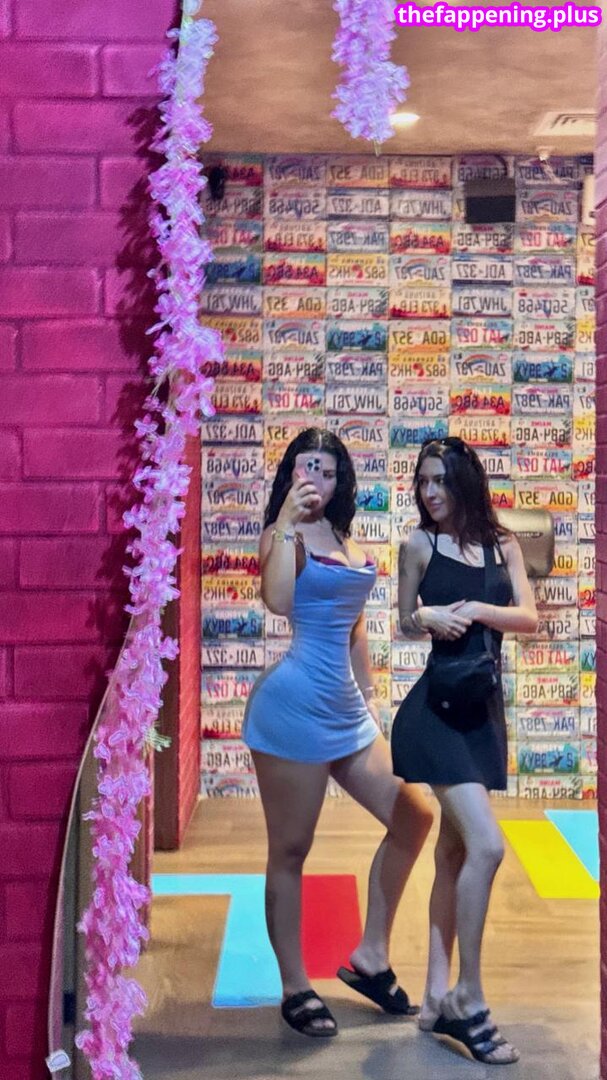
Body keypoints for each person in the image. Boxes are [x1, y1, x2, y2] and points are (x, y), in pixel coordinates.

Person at [242, 427, 433, 1038]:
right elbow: (277, 601)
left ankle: (371, 956)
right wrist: (284, 521)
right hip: (291, 710)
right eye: (307, 468)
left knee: (415, 815)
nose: (317, 481)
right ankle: (295, 986)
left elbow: (353, 627)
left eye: (328, 471)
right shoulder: (283, 534)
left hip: (346, 711)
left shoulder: (345, 540)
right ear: (291, 475)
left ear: (340, 479)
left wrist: (371, 699)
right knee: (291, 849)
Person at [392, 436, 537, 1066]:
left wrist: (477, 608)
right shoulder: (418, 545)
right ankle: (468, 997)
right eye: (423, 482)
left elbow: (528, 617)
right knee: (487, 846)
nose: (430, 493)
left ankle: (433, 998)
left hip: (481, 711)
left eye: (440, 481)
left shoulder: (503, 545)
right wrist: (427, 619)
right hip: (435, 714)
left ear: (464, 483)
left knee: (453, 853)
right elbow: (403, 618)